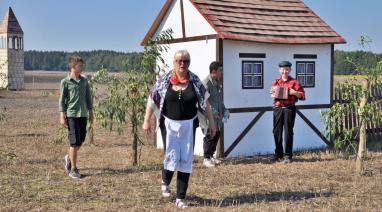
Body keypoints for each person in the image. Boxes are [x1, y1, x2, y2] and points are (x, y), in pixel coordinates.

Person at [142, 50, 216, 209]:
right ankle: (165, 181)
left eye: (186, 61)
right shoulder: (164, 80)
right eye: (179, 61)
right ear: (174, 62)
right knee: (171, 157)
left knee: (186, 160)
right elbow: (152, 99)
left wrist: (212, 123)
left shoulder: (195, 81)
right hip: (169, 125)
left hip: (188, 125)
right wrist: (146, 120)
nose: (182, 64)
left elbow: (206, 103)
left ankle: (181, 197)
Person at [59, 56, 93, 179]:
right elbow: (62, 101)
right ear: (73, 66)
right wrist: (62, 116)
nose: (82, 67)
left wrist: (91, 112)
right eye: (80, 65)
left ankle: (69, 157)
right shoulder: (65, 82)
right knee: (74, 142)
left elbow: (88, 98)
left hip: (83, 114)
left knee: (81, 140)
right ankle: (73, 169)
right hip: (72, 114)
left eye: (82, 65)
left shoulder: (84, 81)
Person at [270, 61, 305, 163]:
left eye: (287, 69)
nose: (284, 71)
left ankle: (288, 156)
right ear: (279, 70)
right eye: (282, 69)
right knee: (276, 131)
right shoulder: (276, 82)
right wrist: (272, 92)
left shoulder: (295, 82)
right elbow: (271, 93)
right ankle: (278, 154)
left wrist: (294, 92)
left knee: (288, 132)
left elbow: (302, 96)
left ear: (290, 70)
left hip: (289, 108)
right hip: (278, 108)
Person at [202, 61, 229, 167]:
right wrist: (213, 113)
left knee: (216, 134)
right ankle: (206, 158)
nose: (221, 73)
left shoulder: (218, 83)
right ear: (214, 71)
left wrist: (224, 110)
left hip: (218, 115)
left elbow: (219, 100)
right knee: (209, 135)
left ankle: (211, 156)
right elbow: (204, 101)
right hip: (209, 116)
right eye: (220, 70)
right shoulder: (206, 83)